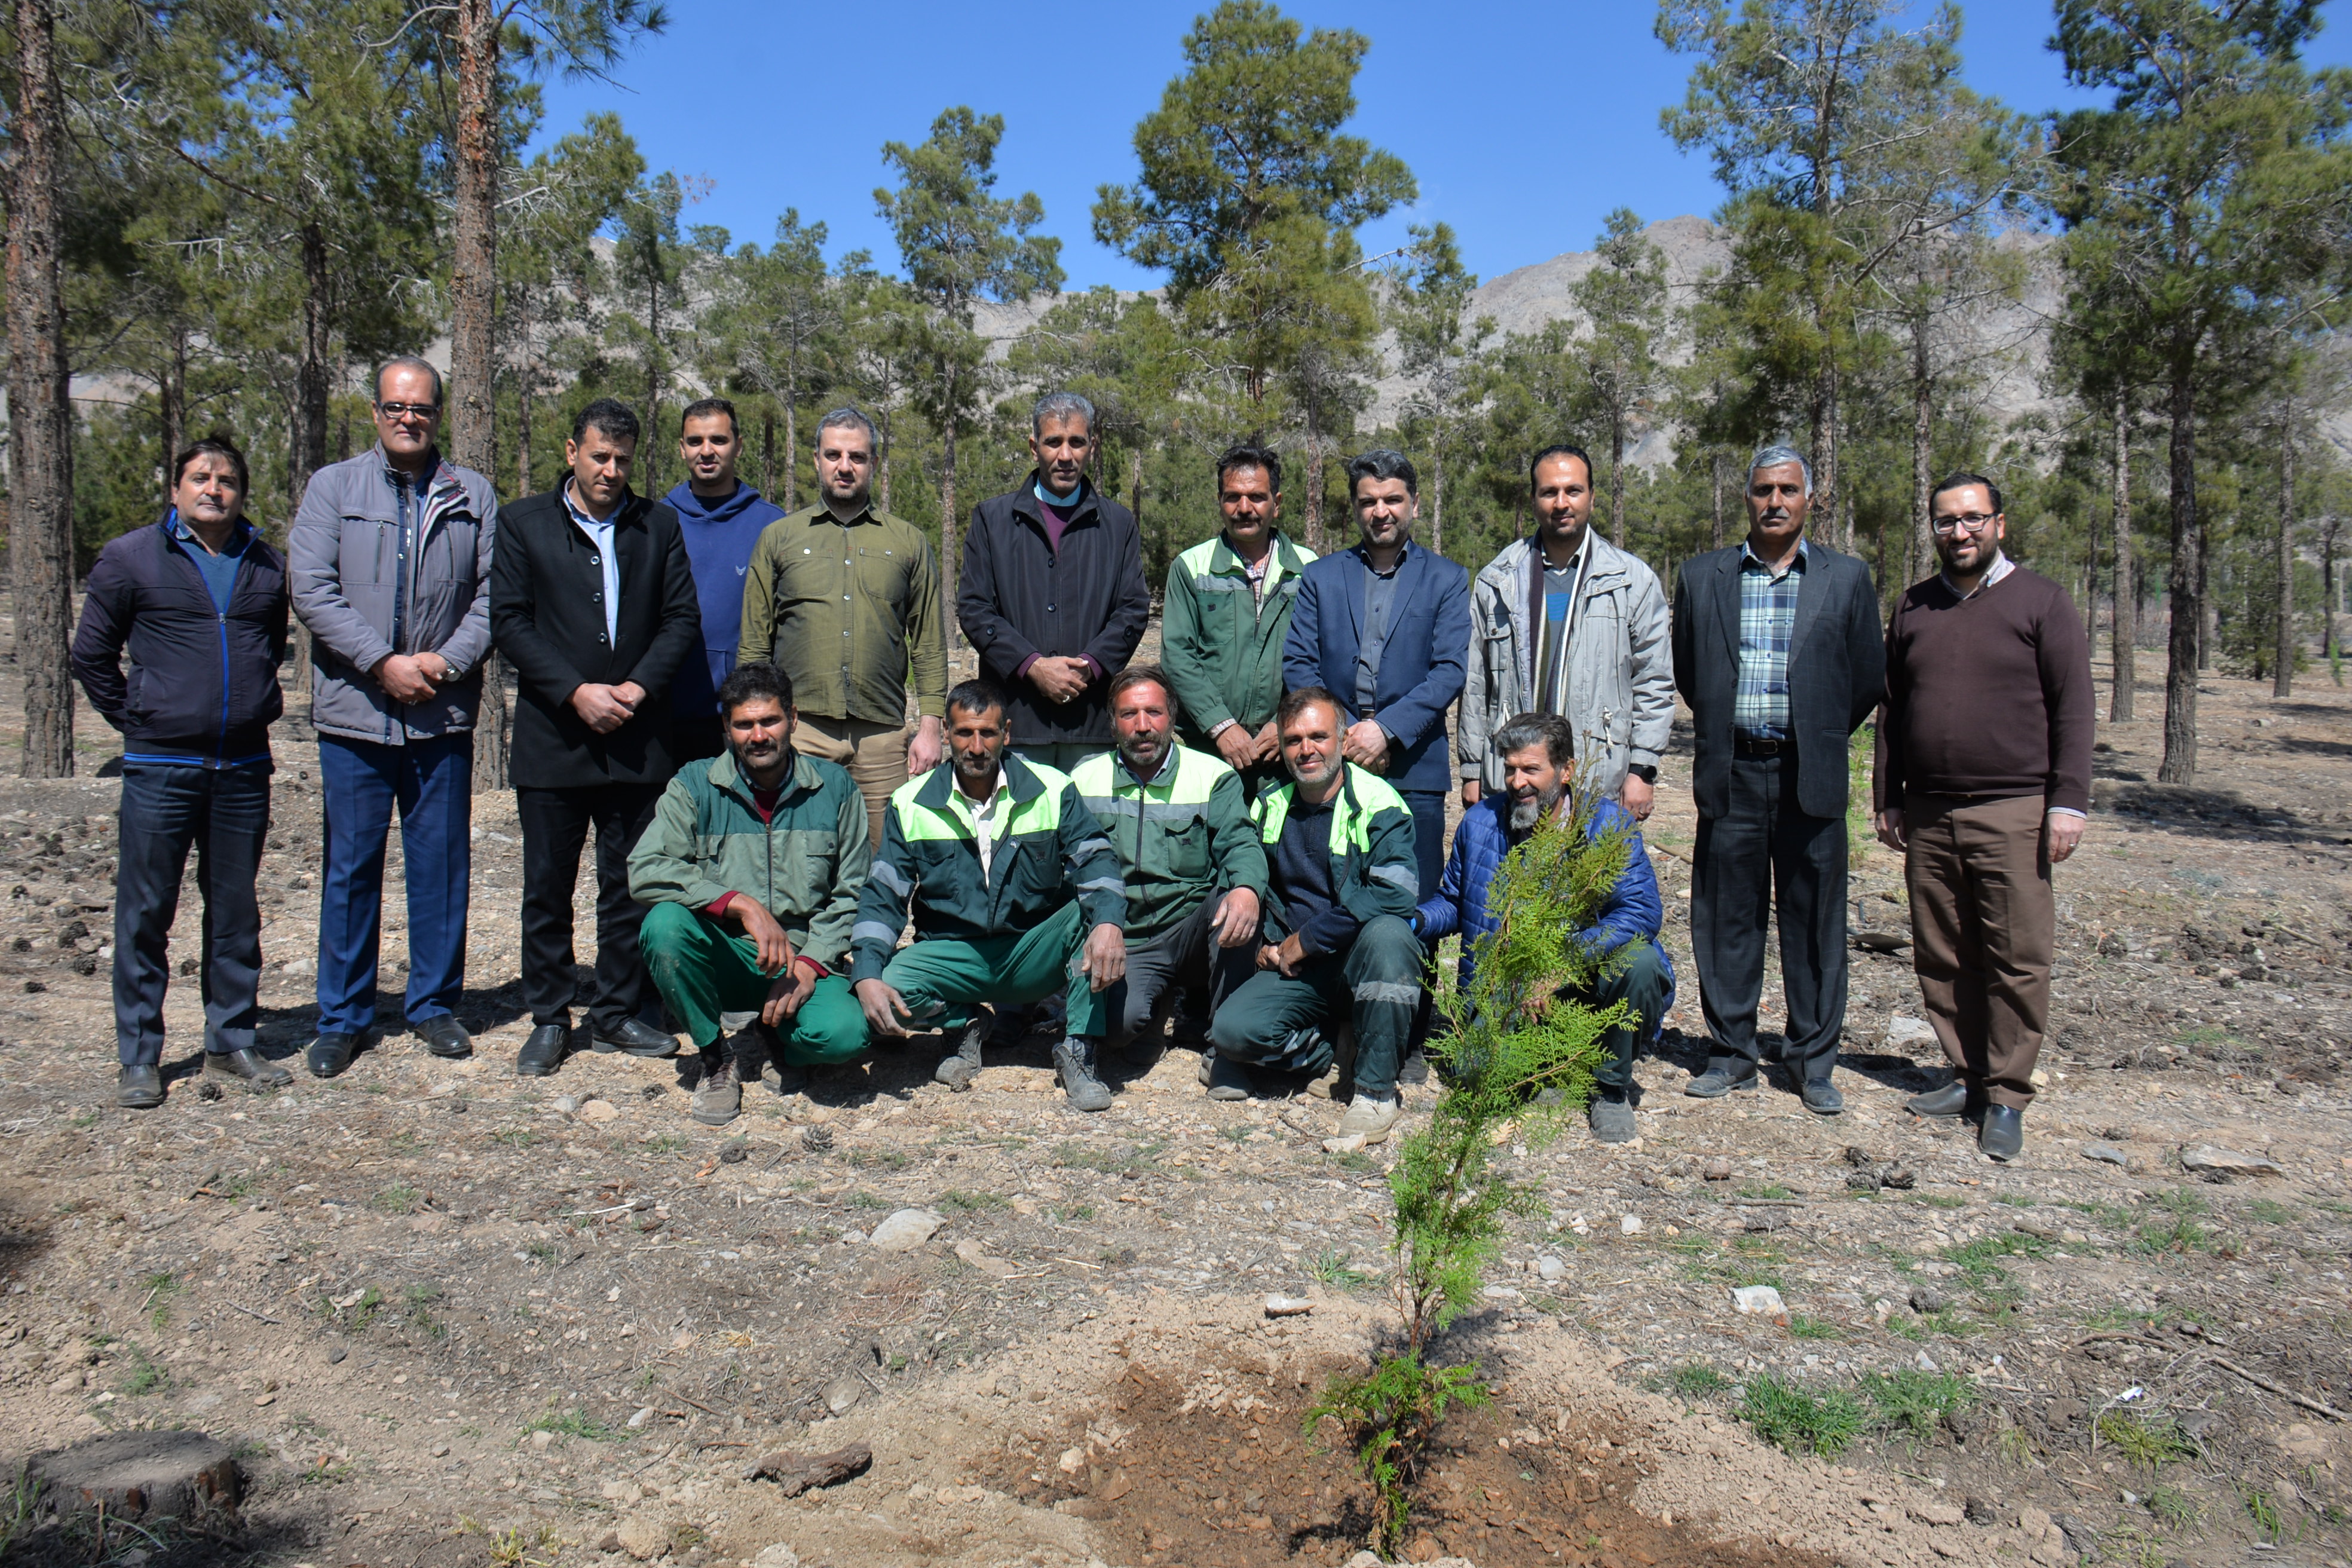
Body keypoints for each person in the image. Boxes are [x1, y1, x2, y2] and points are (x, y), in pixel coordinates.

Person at [288, 355, 498, 1078]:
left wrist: (442, 664)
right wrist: (382, 661)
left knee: (441, 865)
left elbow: (493, 596)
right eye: (396, 406)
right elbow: (312, 588)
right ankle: (342, 1016)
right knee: (351, 869)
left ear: (439, 414)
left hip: (441, 715)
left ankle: (433, 1004)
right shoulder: (334, 487)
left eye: (422, 408)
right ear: (376, 411)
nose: (409, 418)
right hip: (356, 714)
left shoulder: (471, 493)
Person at [1875, 474, 2093, 1162]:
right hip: (1930, 811)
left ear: (1999, 523)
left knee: (2017, 955)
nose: (1960, 531)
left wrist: (2068, 800)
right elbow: (1893, 709)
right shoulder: (1916, 605)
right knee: (1942, 951)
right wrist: (1889, 795)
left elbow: (2074, 705)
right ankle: (1965, 1074)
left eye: (1972, 518)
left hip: (2014, 808)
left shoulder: (2042, 602)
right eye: (1946, 521)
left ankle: (2006, 1093)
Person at [72, 435, 292, 1108]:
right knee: (146, 910)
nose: (213, 489)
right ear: (175, 489)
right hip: (161, 766)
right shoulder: (131, 557)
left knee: (235, 912)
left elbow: (269, 647)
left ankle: (232, 1039)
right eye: (200, 477)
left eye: (227, 480)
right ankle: (140, 1054)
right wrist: (142, 717)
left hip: (243, 766)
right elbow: (91, 655)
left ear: (241, 494)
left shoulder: (266, 564)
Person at [1670, 445, 1885, 1114]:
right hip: (1732, 771)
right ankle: (1731, 1053)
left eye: (1788, 490)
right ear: (1747, 498)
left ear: (1809, 499)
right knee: (1725, 917)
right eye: (1763, 489)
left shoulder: (1846, 578)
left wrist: (1818, 731)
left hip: (1808, 772)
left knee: (1814, 921)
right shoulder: (1702, 576)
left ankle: (1811, 1061)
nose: (1775, 501)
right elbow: (1690, 672)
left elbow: (1865, 677)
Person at [490, 397, 702, 1077]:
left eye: (622, 460)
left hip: (637, 739)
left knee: (628, 885)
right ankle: (551, 1017)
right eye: (599, 457)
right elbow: (510, 620)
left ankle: (615, 1010)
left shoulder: (658, 525)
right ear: (571, 452)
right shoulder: (523, 523)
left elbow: (680, 618)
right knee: (547, 887)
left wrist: (636, 689)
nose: (610, 471)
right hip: (555, 737)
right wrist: (575, 691)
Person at [1281, 448, 1471, 1085]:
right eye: (1368, 501)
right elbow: (1300, 661)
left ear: (1413, 503)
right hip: (1331, 766)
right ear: (1355, 507)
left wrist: (1385, 729)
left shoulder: (1447, 579)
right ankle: (1343, 1016)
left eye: (1392, 499)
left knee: (1414, 900)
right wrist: (1340, 735)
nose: (1381, 511)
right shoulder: (1323, 577)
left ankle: (1409, 1035)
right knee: (1337, 890)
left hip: (1412, 763)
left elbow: (1449, 669)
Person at [849, 679, 1128, 1111]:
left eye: (988, 733)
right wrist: (867, 972)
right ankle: (964, 1023)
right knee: (883, 981)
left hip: (1032, 952)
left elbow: (1097, 861)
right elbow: (883, 896)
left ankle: (1080, 1049)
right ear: (946, 733)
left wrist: (1108, 922)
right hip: (956, 957)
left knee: (1091, 916)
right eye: (964, 733)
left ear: (1007, 733)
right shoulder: (911, 802)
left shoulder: (1052, 788)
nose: (976, 747)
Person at [628, 662, 871, 1127]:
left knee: (844, 1037)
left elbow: (854, 889)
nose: (758, 736)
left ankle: (780, 1038)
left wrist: (810, 964)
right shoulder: (695, 785)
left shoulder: (835, 788)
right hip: (727, 953)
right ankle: (715, 1059)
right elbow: (645, 868)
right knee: (664, 926)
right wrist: (740, 904)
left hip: (802, 956)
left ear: (793, 719)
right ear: (726, 727)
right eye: (744, 724)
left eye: (770, 721)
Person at [1415, 713, 1675, 1143]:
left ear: (1566, 770)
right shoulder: (1481, 823)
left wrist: (1565, 964)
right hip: (1509, 990)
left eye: (1531, 769)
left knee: (1641, 963)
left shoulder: (1608, 826)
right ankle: (1556, 1067)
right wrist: (1415, 920)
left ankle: (1610, 1087)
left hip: (1587, 984)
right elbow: (1456, 902)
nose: (1518, 783)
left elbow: (1640, 913)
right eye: (1510, 769)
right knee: (1477, 1079)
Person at [1207, 687, 1424, 1144]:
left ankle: (1375, 1092)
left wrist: (1307, 941)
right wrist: (1264, 945)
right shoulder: (1268, 804)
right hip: (1297, 971)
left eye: (1318, 737)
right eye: (1293, 740)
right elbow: (1254, 885)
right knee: (1231, 1033)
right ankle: (1333, 1050)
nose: (1306, 750)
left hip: (1358, 960)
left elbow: (1396, 894)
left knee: (1391, 934)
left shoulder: (1381, 803)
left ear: (1343, 740)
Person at [737, 407, 943, 848]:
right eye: (833, 455)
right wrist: (752, 723)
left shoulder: (907, 542)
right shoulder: (779, 539)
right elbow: (754, 646)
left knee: (883, 864)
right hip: (801, 732)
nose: (844, 466)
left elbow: (927, 642)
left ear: (874, 463)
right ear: (816, 459)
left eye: (857, 457)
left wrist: (930, 728)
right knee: (799, 859)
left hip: (882, 737)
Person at [1459, 445, 1673, 822]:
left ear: (1592, 497)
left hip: (1598, 775)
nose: (1561, 503)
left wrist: (1642, 768)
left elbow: (1653, 681)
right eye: (1549, 492)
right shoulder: (1497, 580)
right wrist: (1473, 767)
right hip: (1514, 779)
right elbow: (1475, 683)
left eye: (1573, 490)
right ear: (1533, 500)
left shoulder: (1631, 581)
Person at [1069, 666, 1265, 1060]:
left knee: (1237, 899)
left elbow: (1241, 844)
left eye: (1154, 713)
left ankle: (1226, 1048)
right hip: (1128, 935)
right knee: (1116, 1030)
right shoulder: (1083, 779)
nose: (1143, 726)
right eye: (1129, 714)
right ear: (1113, 723)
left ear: (1172, 719)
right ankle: (1153, 1007)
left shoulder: (1212, 775)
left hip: (1193, 928)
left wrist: (1247, 889)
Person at [957, 391, 1151, 776]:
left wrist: (1090, 667)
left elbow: (1132, 609)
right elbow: (975, 608)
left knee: (1088, 817)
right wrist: (1032, 666)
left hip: (1092, 725)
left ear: (1092, 446)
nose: (1065, 455)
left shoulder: (1118, 524)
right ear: (1034, 447)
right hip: (1015, 723)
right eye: (1053, 442)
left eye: (1077, 442)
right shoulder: (992, 520)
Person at [1160, 444, 1318, 795]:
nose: (1244, 508)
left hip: (1286, 751)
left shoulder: (1310, 570)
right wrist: (1221, 726)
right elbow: (1177, 656)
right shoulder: (1191, 567)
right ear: (1219, 501)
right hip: (1208, 750)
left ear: (1276, 503)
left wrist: (1285, 723)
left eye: (1257, 497)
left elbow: (1320, 658)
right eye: (1233, 497)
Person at [665, 397, 785, 764]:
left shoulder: (771, 525)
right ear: (682, 448)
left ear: (738, 445)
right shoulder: (658, 521)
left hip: (748, 716)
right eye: (695, 441)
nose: (706, 451)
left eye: (718, 440)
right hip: (668, 710)